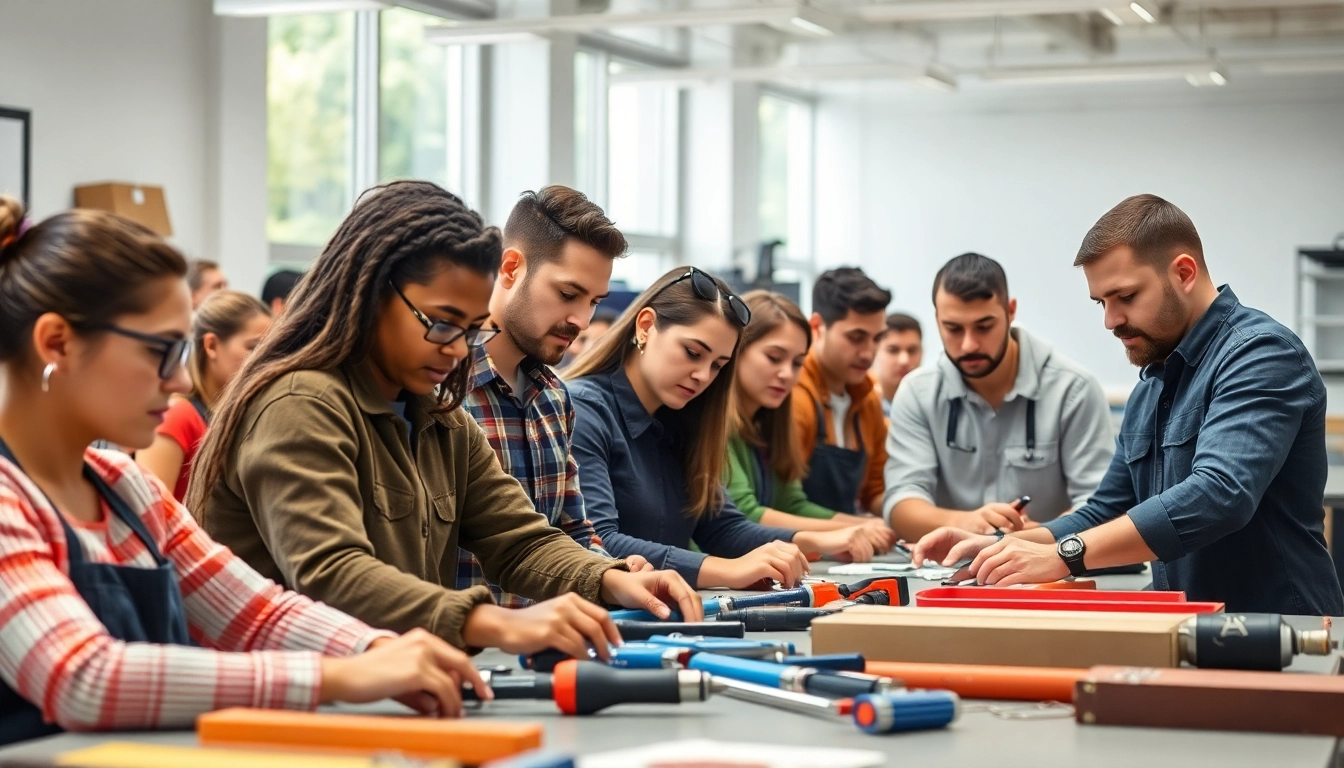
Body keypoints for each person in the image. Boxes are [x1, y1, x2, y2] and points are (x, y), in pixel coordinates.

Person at [0, 196, 495, 745]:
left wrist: (376, 649)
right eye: (161, 352)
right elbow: (84, 678)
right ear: (57, 343)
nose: (181, 382)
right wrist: (338, 676)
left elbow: (257, 614)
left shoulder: (126, 488)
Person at [188, 181, 700, 663]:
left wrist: (612, 579)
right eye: (441, 324)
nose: (457, 350)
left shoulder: (437, 414)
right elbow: (332, 573)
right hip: (284, 705)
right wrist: (495, 622)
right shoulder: (300, 402)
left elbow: (519, 539)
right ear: (372, 293)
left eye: (471, 330)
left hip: (388, 688)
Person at [912, 195, 1344, 616]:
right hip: (1190, 624)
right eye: (1102, 302)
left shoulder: (1261, 354)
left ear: (1184, 273)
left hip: (1282, 627)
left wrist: (1063, 556)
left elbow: (1220, 494)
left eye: (1126, 297)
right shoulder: (1152, 385)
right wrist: (1004, 548)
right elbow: (1107, 511)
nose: (1110, 320)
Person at [567, 267, 876, 591]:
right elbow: (598, 543)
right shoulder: (583, 410)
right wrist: (727, 570)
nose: (703, 375)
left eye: (717, 365)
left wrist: (809, 542)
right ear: (646, 327)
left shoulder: (684, 419)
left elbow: (723, 528)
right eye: (693, 353)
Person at [458, 186, 639, 607]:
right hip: (455, 638)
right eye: (568, 294)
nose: (582, 320)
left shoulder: (554, 397)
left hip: (547, 639)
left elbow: (572, 532)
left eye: (594, 301)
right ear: (510, 268)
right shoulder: (441, 387)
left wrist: (617, 575)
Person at [884, 253, 1113, 539]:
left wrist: (1037, 536)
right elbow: (901, 505)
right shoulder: (917, 394)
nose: (969, 345)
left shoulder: (1074, 391)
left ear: (1010, 311)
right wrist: (968, 523)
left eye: (984, 326)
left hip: (1050, 560)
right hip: (950, 566)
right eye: (953, 328)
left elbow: (1103, 506)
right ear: (937, 320)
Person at [726, 291, 898, 552]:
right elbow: (744, 513)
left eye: (797, 363)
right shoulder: (716, 428)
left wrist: (866, 526)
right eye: (774, 358)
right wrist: (844, 531)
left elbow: (791, 503)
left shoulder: (770, 425)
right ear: (735, 350)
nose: (787, 374)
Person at [136, 291, 272, 501]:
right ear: (211, 346)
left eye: (268, 349)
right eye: (254, 347)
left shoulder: (238, 415)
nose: (265, 358)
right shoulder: (177, 416)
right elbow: (149, 510)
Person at [792, 267, 892, 516]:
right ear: (817, 327)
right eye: (856, 337)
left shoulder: (868, 400)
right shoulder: (794, 395)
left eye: (877, 339)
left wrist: (917, 513)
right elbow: (784, 502)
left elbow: (874, 491)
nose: (868, 353)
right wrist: (861, 527)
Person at [873, 312, 923, 415]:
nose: (904, 360)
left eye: (912, 350)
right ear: (875, 351)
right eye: (893, 350)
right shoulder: (859, 406)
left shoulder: (935, 406)